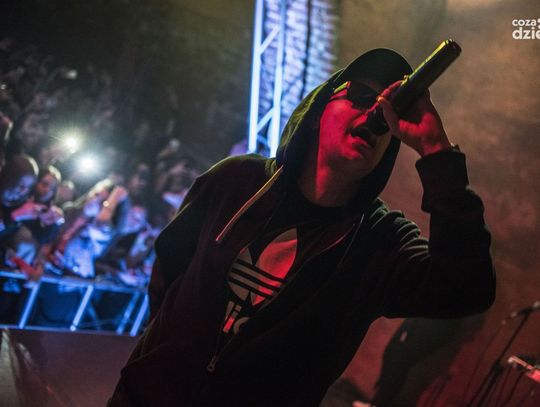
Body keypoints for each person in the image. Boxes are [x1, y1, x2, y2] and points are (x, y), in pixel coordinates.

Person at [110, 48, 495, 406]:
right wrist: (157, 361)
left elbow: (466, 288)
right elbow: (171, 262)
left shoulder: (380, 240)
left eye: (387, 109)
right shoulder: (237, 181)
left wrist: (435, 150)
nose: (375, 115)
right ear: (316, 113)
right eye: (360, 96)